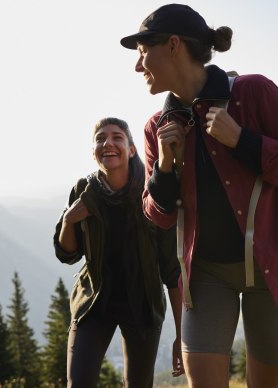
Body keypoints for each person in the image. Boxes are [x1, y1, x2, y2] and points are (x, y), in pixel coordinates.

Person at [119, 4, 278, 388]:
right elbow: (157, 216)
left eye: (142, 51)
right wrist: (165, 168)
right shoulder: (158, 128)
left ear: (173, 45)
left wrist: (243, 140)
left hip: (275, 266)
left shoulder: (254, 93)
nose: (137, 66)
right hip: (206, 276)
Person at [53, 117, 184, 387]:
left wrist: (182, 333)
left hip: (142, 304)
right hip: (95, 302)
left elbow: (172, 270)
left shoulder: (152, 192)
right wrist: (68, 220)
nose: (107, 143)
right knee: (78, 383)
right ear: (93, 151)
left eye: (116, 137)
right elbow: (67, 254)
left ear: (131, 149)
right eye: (100, 138)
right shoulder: (83, 190)